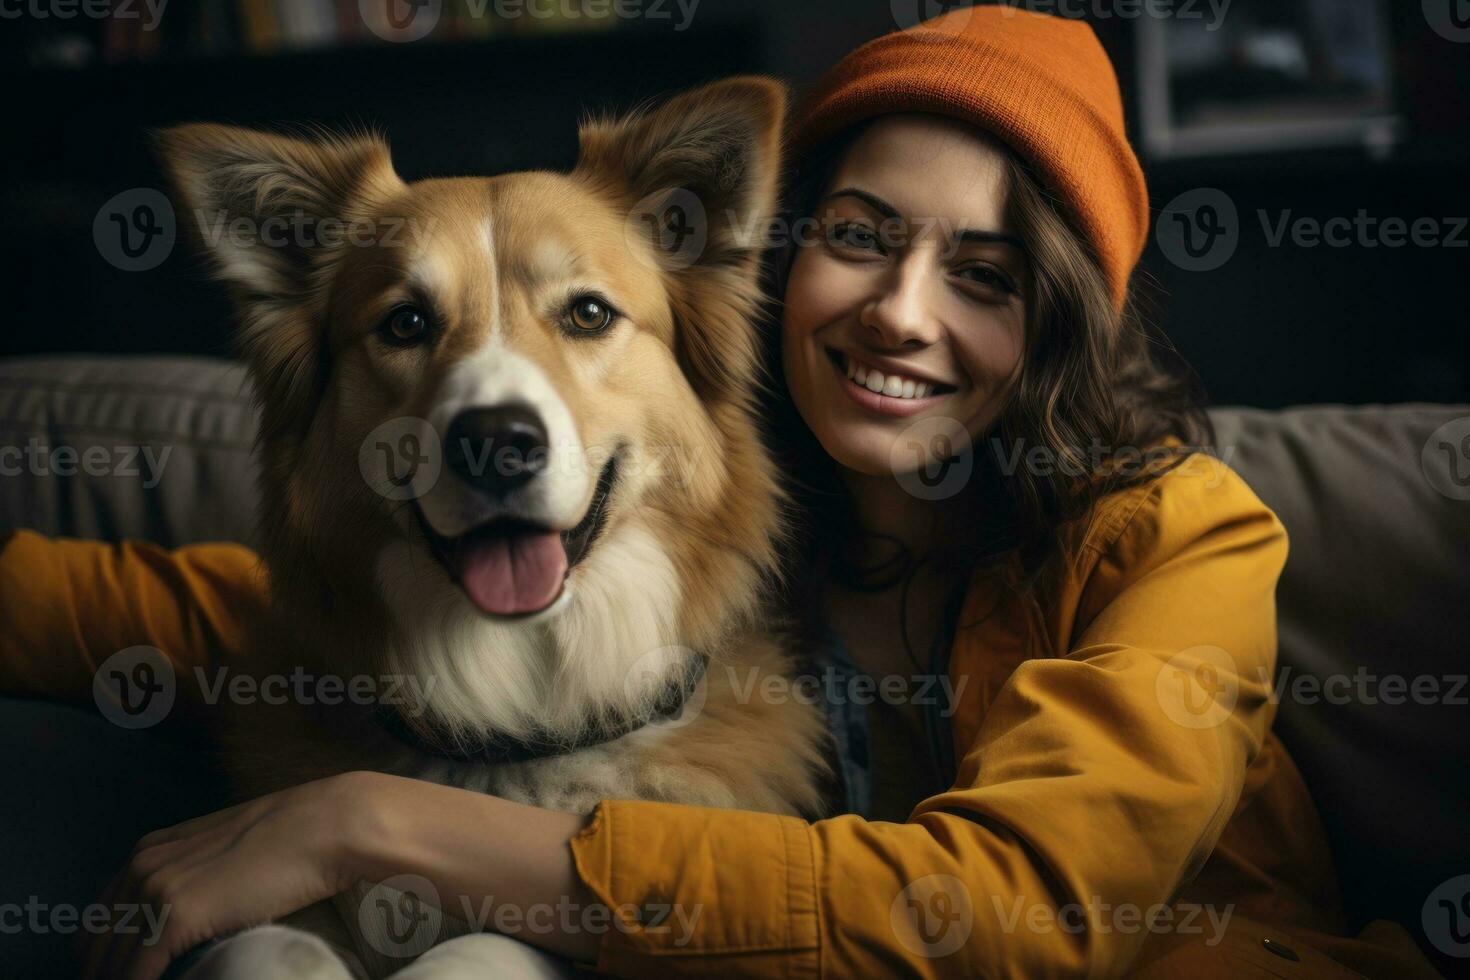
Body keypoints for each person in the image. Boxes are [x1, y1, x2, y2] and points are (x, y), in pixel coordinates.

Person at [0, 8, 1439, 979]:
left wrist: (361, 821)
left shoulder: (1181, 535)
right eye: (860, 240)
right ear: (767, 267)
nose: (899, 314)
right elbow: (216, 610)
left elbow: (1020, 911)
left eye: (983, 276)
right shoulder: (721, 510)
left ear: (1055, 324)